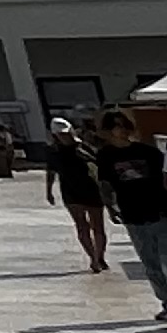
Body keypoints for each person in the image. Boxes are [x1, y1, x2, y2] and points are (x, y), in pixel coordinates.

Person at [100, 111, 167, 322]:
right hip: (132, 215)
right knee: (150, 262)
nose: (121, 130)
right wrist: (110, 208)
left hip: (160, 213)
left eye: (124, 125)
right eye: (116, 126)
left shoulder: (149, 152)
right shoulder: (105, 155)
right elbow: (105, 184)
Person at [45, 115, 109, 273]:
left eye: (67, 133)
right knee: (82, 226)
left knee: (98, 226)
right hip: (70, 192)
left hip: (92, 190)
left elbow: (100, 165)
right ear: (55, 136)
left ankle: (100, 256)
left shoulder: (84, 147)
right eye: (61, 134)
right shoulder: (54, 153)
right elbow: (51, 172)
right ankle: (93, 258)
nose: (65, 137)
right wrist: (49, 191)